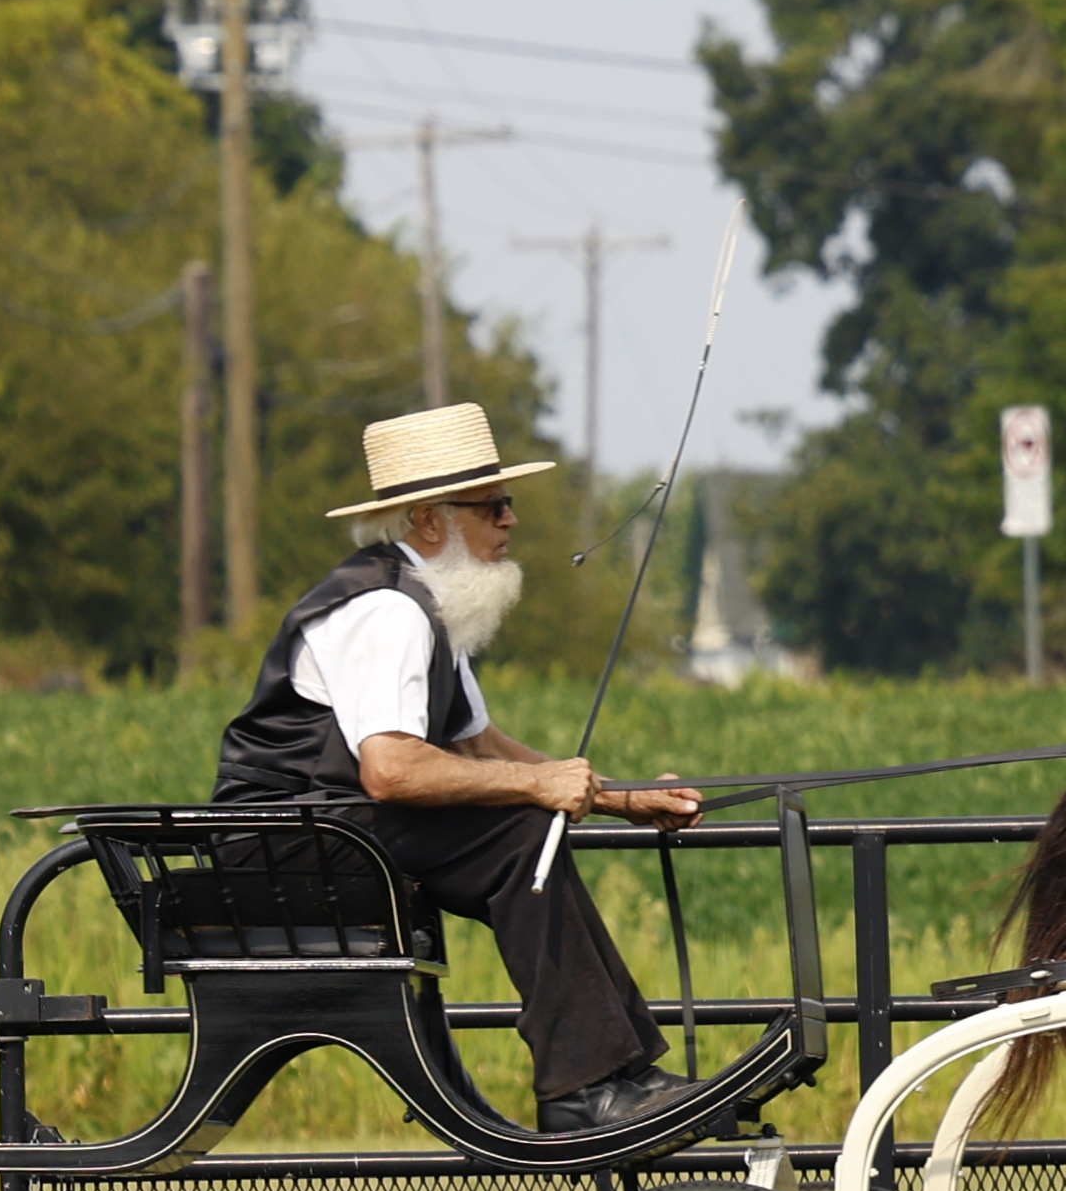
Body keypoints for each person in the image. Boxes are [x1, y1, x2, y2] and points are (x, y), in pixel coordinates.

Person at [215, 403, 706, 1133]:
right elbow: (389, 769)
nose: (510, 520)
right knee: (517, 833)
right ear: (429, 520)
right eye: (493, 506)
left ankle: (616, 1073)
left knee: (523, 822)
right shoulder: (388, 613)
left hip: (330, 832)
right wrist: (540, 788)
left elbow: (480, 746)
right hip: (285, 845)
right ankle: (588, 1084)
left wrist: (622, 798)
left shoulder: (429, 608)